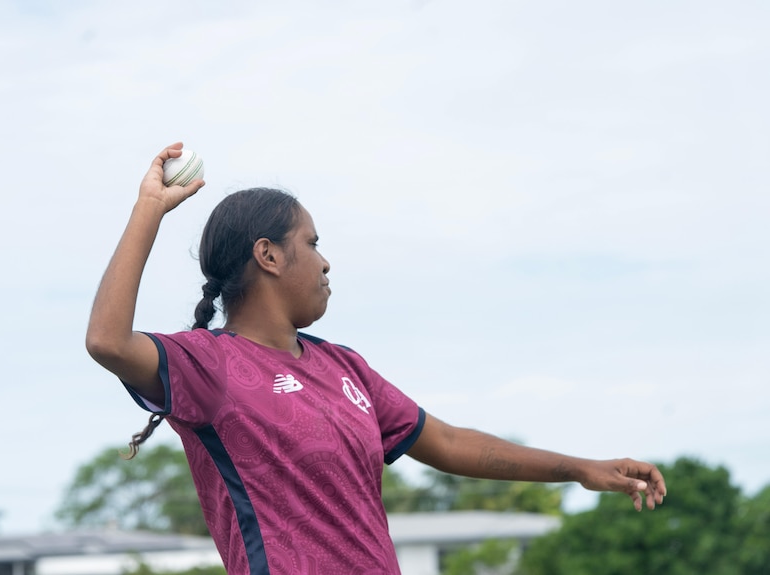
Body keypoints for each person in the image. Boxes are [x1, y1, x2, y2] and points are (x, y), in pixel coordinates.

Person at [86, 142, 667, 575]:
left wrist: (581, 468)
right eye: (312, 244)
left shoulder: (345, 368)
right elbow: (108, 341)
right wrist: (149, 209)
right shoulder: (208, 366)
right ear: (268, 256)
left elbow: (451, 443)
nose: (326, 262)